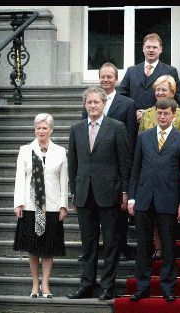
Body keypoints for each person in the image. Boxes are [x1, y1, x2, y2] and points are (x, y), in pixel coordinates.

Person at [67, 87, 131, 300]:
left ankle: (107, 286)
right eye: (89, 102)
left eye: (96, 102)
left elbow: (124, 162)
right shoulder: (76, 129)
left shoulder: (117, 127)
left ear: (104, 104)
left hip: (110, 194)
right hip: (84, 193)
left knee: (111, 242)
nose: (92, 105)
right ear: (84, 105)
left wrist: (124, 191)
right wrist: (73, 192)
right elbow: (73, 163)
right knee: (88, 243)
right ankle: (86, 285)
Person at [127, 98, 180, 302]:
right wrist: (132, 197)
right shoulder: (144, 137)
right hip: (144, 198)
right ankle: (142, 286)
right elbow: (135, 170)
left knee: (169, 246)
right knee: (144, 245)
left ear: (173, 114)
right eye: (159, 113)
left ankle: (168, 286)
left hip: (169, 198)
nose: (162, 116)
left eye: (166, 113)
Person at [80, 62, 137, 261]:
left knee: (116, 219)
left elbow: (129, 137)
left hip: (115, 169)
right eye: (102, 76)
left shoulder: (127, 103)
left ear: (116, 79)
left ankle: (120, 248)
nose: (106, 80)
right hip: (95, 170)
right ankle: (92, 252)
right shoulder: (90, 101)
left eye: (109, 77)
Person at [13, 113, 68, 299]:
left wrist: (63, 205)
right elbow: (20, 178)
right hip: (30, 206)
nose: (41, 131)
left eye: (44, 128)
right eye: (38, 128)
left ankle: (45, 283)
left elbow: (64, 180)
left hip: (52, 206)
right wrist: (18, 203)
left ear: (51, 130)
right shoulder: (25, 150)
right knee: (33, 247)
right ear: (34, 129)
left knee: (48, 248)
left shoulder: (60, 151)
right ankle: (35, 283)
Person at [138, 74, 180, 259]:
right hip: (148, 186)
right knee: (144, 240)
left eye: (164, 89)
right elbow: (141, 150)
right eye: (157, 89)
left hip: (169, 183)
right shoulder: (146, 115)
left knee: (169, 238)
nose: (160, 92)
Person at [119, 33, 179, 118]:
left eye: (154, 47)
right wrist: (132, 112)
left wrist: (151, 113)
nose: (151, 50)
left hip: (158, 120)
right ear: (143, 48)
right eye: (148, 47)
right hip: (134, 120)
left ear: (160, 49)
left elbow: (174, 98)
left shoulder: (170, 71)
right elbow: (121, 96)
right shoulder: (131, 71)